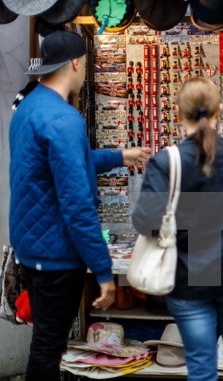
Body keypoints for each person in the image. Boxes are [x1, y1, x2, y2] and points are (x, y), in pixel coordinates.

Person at [9, 30, 151, 381]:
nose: (85, 70)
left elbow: (61, 162)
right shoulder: (64, 119)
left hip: (31, 248)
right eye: (85, 64)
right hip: (56, 256)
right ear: (75, 63)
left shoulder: (29, 107)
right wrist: (104, 272)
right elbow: (78, 206)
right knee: (48, 347)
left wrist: (120, 155)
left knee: (45, 340)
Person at [132, 76, 223, 381]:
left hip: (188, 271)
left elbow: (145, 221)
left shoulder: (166, 161)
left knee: (200, 367)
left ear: (179, 112)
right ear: (219, 110)